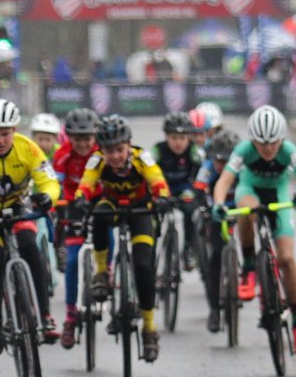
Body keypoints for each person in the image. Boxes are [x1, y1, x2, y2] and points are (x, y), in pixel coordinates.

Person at [211, 105, 296, 355]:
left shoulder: (289, 150)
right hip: (250, 190)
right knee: (246, 209)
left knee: (287, 258)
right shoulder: (243, 150)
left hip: (279, 193)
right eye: (262, 144)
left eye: (273, 143)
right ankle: (249, 268)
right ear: (253, 140)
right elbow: (224, 181)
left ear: (281, 138)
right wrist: (218, 204)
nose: (269, 149)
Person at [70, 114, 171, 362]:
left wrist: (162, 197)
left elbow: (157, 180)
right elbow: (87, 183)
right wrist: (81, 197)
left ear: (128, 145)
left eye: (119, 150)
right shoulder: (97, 161)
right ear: (101, 150)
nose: (114, 156)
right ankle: (102, 272)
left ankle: (149, 328)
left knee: (144, 266)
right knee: (100, 214)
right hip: (113, 205)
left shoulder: (141, 158)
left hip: (140, 210)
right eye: (109, 151)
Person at [0, 98, 61, 353]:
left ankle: (45, 313)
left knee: (31, 248)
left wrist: (47, 197)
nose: (0, 140)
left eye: (5, 134)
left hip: (19, 206)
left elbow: (50, 180)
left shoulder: (28, 149)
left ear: (15, 130)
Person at [51, 107, 99, 348]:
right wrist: (54, 206)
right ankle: (70, 317)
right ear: (69, 137)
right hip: (71, 207)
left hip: (99, 203)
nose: (82, 144)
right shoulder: (61, 155)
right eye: (77, 139)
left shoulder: (101, 153)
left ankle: (106, 274)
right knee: (71, 262)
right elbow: (55, 185)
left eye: (87, 139)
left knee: (108, 237)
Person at [192, 130, 239, 333]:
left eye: (227, 162)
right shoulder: (208, 168)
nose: (222, 166)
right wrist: (205, 209)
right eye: (218, 161)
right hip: (216, 213)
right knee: (216, 259)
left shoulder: (241, 169)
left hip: (238, 209)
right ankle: (214, 310)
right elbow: (198, 189)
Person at [152, 111, 203, 271]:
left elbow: (202, 176)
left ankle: (188, 249)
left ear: (189, 137)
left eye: (182, 138)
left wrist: (194, 192)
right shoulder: (158, 151)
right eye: (173, 138)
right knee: (152, 216)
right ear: (166, 137)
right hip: (162, 189)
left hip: (184, 189)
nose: (178, 143)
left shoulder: (195, 152)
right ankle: (151, 250)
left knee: (190, 211)